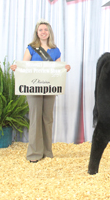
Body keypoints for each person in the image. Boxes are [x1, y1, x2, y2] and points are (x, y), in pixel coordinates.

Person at [10, 19, 71, 163]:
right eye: (40, 30)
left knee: (47, 119)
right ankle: (34, 154)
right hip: (33, 87)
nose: (43, 32)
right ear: (37, 33)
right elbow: (24, 66)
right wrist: (16, 67)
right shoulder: (31, 48)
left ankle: (47, 151)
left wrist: (65, 68)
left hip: (49, 88)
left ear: (49, 32)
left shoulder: (56, 50)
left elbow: (58, 69)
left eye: (45, 29)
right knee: (36, 118)